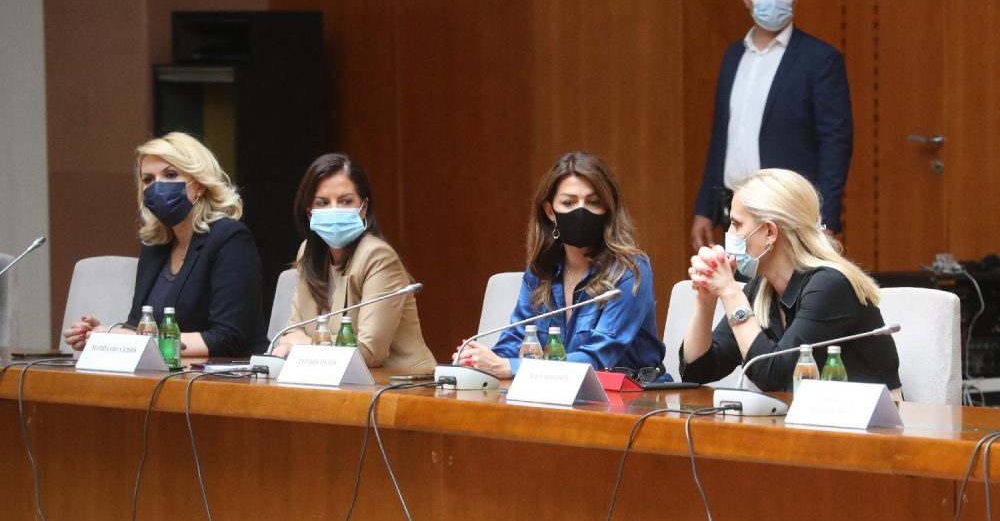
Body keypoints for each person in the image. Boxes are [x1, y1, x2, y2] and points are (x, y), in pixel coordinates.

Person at [680, 168, 901, 394]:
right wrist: (705, 300)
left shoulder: (830, 286)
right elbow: (696, 372)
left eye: (736, 224)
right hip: (805, 414)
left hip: (870, 414)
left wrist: (730, 292)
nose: (729, 233)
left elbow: (774, 376)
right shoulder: (761, 288)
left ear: (769, 232)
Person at [456, 152, 665, 379]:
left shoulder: (629, 270)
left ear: (608, 208)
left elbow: (598, 358)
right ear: (550, 211)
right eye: (568, 202)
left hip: (631, 394)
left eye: (594, 202)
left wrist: (508, 367)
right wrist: (479, 361)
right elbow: (516, 340)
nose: (581, 211)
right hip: (556, 391)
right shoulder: (541, 270)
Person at [691, 0, 852, 251]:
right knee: (736, 282)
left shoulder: (820, 59)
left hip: (790, 215)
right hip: (736, 212)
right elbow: (722, 137)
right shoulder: (734, 56)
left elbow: (835, 144)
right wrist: (705, 208)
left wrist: (825, 222)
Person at [62, 132, 269, 356]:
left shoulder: (230, 238)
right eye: (148, 180)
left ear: (199, 185)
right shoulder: (155, 245)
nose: (157, 186)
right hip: (166, 372)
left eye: (170, 175)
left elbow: (227, 338)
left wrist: (128, 339)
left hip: (226, 372)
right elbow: (138, 326)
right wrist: (101, 336)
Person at [271, 153, 436, 372]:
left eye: (345, 201)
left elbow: (369, 352)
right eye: (322, 203)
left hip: (400, 382)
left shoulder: (377, 257)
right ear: (310, 214)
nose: (334, 210)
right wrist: (296, 344)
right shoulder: (308, 252)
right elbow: (292, 332)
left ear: (364, 208)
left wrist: (308, 345)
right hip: (334, 379)